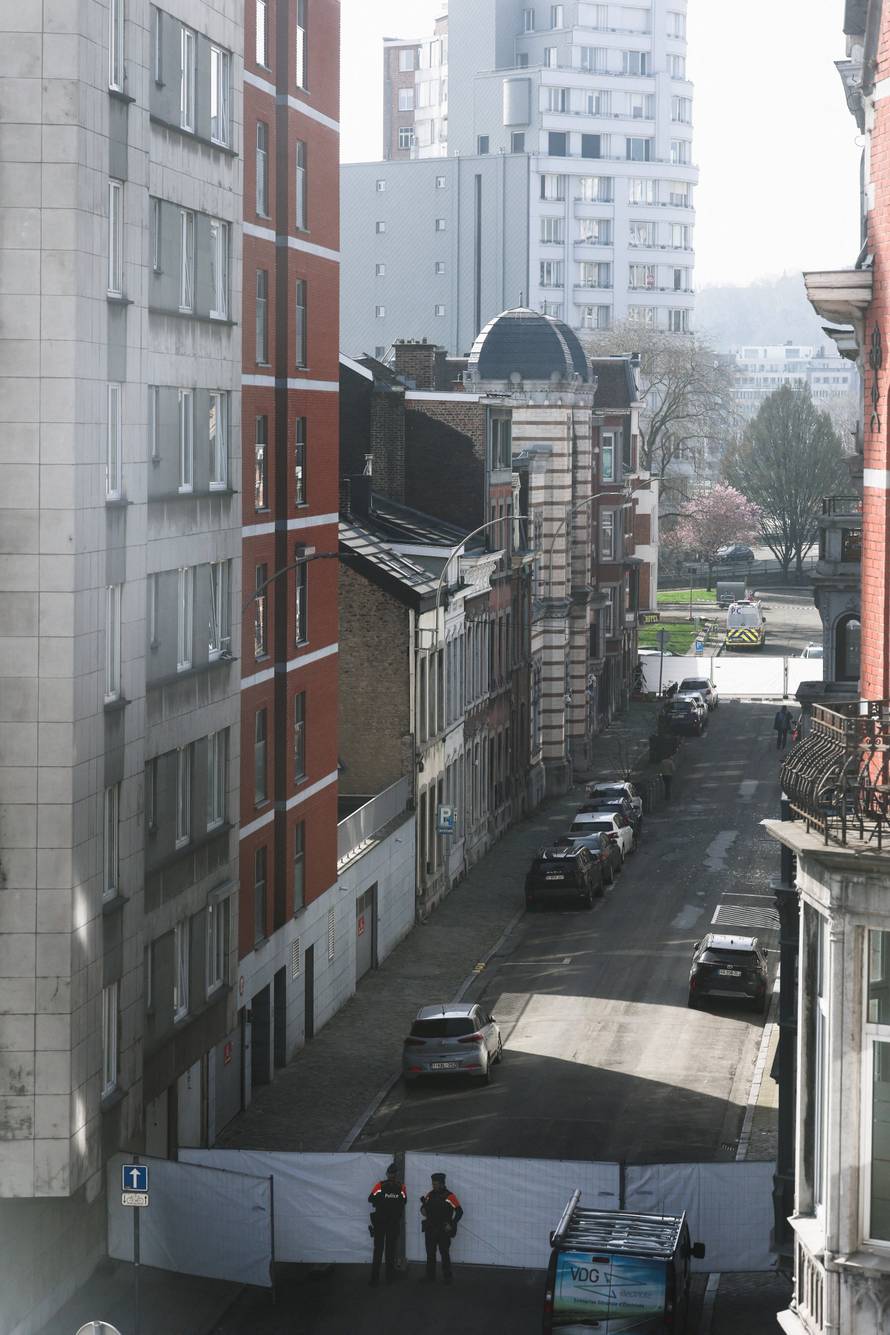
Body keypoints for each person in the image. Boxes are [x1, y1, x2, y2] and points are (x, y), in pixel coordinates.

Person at [368, 1162, 406, 1287]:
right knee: (389, 1251)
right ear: (395, 1174)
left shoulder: (380, 1185)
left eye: (391, 1174)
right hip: (390, 1223)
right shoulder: (401, 1187)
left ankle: (376, 1279)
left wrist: (382, 1200)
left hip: (382, 1223)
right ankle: (388, 1278)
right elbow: (404, 1201)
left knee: (380, 1251)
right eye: (391, 1174)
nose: (391, 1175)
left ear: (389, 1174)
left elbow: (371, 1198)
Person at [420, 1172, 463, 1284]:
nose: (433, 1185)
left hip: (443, 1230)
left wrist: (452, 1224)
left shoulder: (450, 1196)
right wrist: (422, 1210)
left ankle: (447, 1277)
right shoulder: (430, 1194)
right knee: (430, 1254)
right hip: (430, 1229)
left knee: (444, 1254)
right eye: (432, 1183)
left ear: (442, 1183)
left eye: (435, 1184)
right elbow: (423, 1208)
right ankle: (430, 1277)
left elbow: (459, 1211)